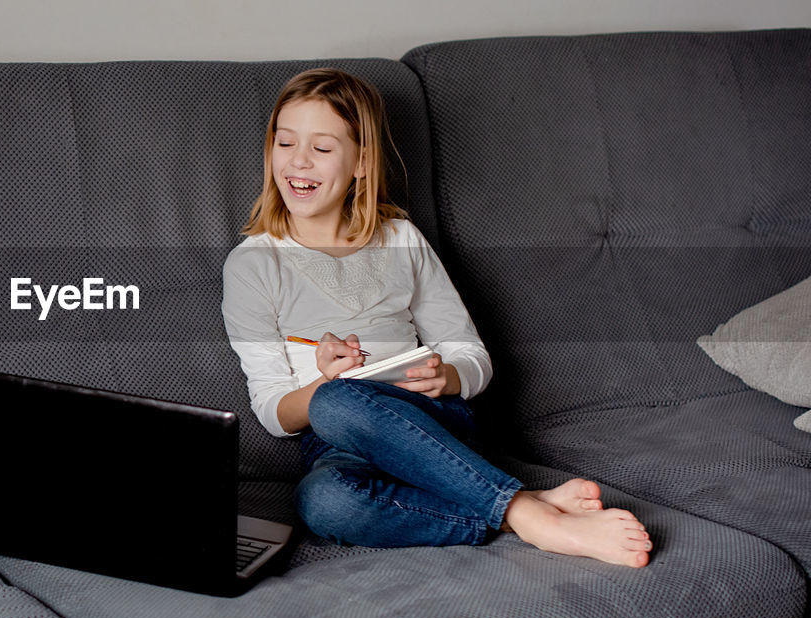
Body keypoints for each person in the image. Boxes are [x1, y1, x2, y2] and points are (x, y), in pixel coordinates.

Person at [221, 68, 652, 567]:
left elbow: (471, 354)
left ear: (362, 163)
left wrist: (447, 376)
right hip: (339, 440)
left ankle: (532, 517)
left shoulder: (400, 239)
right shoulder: (252, 264)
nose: (298, 160)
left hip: (432, 421)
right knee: (323, 500)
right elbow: (272, 411)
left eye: (321, 147)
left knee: (338, 402)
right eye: (284, 142)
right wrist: (324, 386)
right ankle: (519, 507)